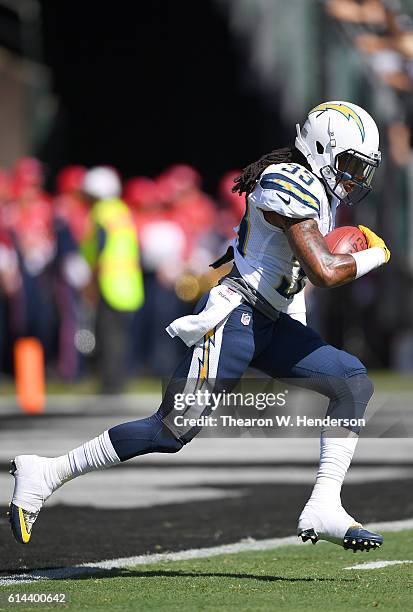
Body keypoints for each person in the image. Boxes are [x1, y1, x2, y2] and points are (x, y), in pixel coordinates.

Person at [9, 101, 390, 552]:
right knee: (170, 431)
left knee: (351, 381)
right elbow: (325, 271)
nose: (352, 177)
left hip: (270, 318)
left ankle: (325, 504)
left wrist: (297, 324)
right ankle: (46, 472)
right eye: (349, 163)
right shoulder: (287, 180)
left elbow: (289, 274)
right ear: (324, 148)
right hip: (238, 316)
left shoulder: (313, 189)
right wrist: (371, 255)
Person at [80, 166, 144, 393]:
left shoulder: (101, 212)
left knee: (108, 334)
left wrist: (91, 279)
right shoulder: (122, 210)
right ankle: (118, 380)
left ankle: (111, 383)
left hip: (109, 282)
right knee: (120, 335)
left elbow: (99, 247)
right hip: (127, 283)